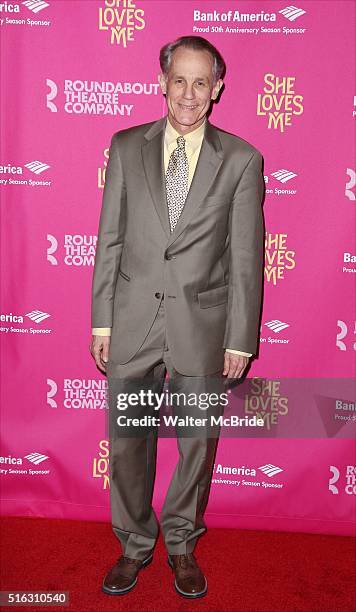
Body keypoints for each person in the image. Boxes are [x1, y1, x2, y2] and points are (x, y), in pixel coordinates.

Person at [90, 35, 265, 599]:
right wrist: (102, 324)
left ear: (217, 89)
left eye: (200, 82)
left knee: (197, 441)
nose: (188, 93)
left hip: (203, 327)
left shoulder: (241, 160)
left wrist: (240, 337)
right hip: (132, 322)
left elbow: (245, 258)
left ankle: (182, 544)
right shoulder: (124, 147)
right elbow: (109, 241)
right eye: (179, 80)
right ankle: (134, 544)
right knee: (128, 442)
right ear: (162, 81)